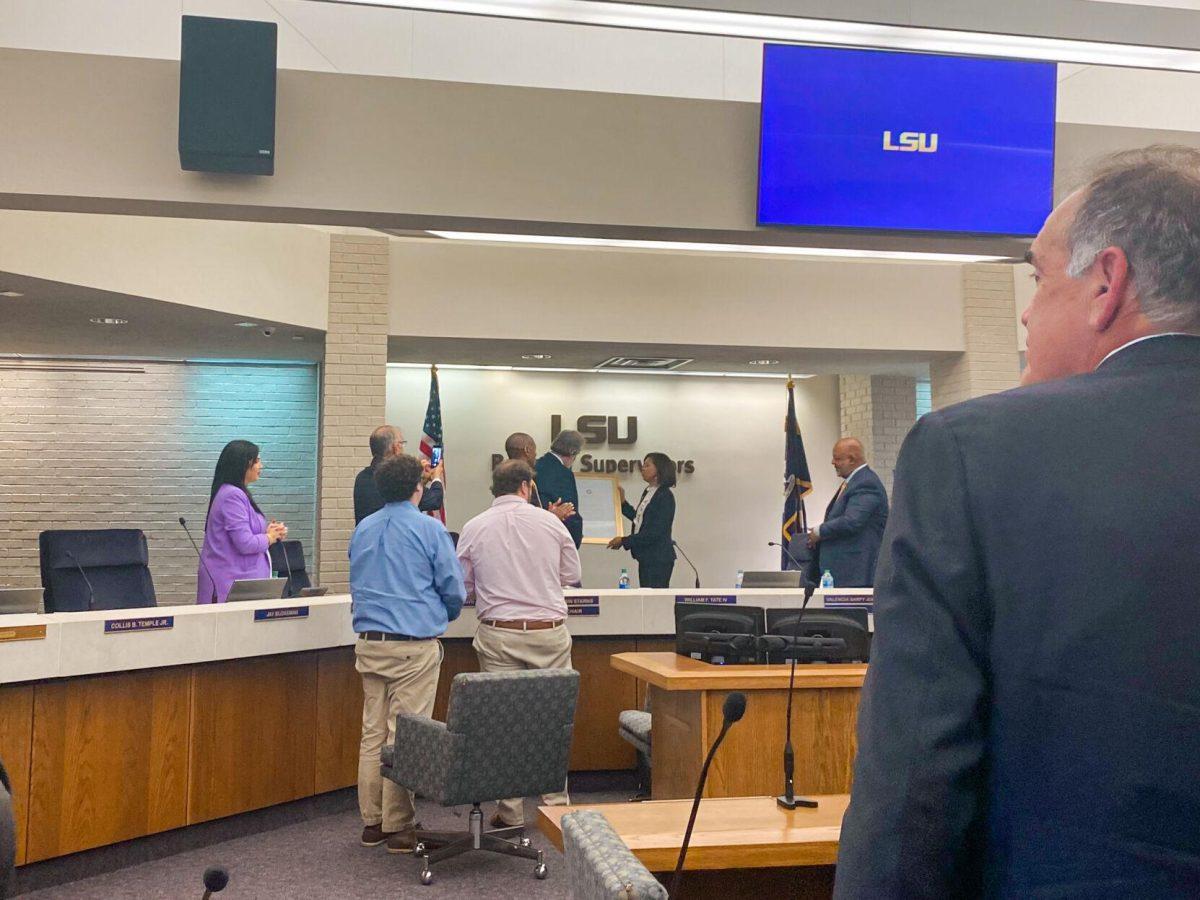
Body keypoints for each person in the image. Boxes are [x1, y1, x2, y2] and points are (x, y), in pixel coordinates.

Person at [835, 146, 1200, 899]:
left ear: (1107, 282)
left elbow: (915, 784)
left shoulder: (969, 454)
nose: (1028, 311)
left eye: (1038, 277)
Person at [349, 453, 465, 854]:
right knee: (406, 735)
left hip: (369, 642)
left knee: (372, 733)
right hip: (412, 646)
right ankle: (400, 827)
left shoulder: (363, 527)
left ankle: (372, 823)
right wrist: (441, 616)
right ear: (419, 487)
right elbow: (454, 590)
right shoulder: (429, 530)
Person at [456, 460, 581, 829]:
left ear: (495, 488)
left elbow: (463, 586)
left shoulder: (474, 527)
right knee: (552, 720)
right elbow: (572, 576)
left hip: (498, 633)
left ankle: (509, 812)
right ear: (526, 487)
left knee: (501, 723)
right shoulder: (551, 523)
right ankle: (557, 808)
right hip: (548, 633)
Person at [197, 439, 287, 603]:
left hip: (243, 585)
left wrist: (270, 532)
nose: (261, 466)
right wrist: (269, 537)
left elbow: (245, 533)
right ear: (243, 464)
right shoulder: (232, 495)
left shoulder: (237, 493)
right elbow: (245, 543)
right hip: (229, 586)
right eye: (257, 461)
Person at [805, 437, 888, 587]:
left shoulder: (866, 483)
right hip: (845, 574)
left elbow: (852, 521)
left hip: (855, 574)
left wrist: (819, 532)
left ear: (851, 459)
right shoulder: (854, 482)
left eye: (837, 458)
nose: (832, 463)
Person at [606, 452, 677, 588]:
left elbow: (654, 532)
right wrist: (623, 503)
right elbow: (639, 520)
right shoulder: (649, 491)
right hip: (646, 557)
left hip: (658, 558)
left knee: (653, 601)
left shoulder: (665, 496)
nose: (642, 468)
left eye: (647, 465)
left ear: (659, 469)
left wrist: (624, 540)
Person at [353, 425, 444, 525]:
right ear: (396, 447)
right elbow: (434, 500)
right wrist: (436, 477)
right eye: (402, 443)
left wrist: (420, 480)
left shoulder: (361, 478)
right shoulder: (397, 478)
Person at [504, 431, 575, 522]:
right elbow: (525, 518)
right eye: (534, 449)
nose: (536, 454)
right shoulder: (521, 477)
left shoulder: (505, 474)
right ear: (527, 450)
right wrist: (552, 516)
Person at [535, 429, 585, 547]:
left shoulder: (534, 465)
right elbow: (570, 511)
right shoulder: (564, 474)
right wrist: (575, 541)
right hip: (555, 539)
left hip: (534, 534)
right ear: (573, 452)